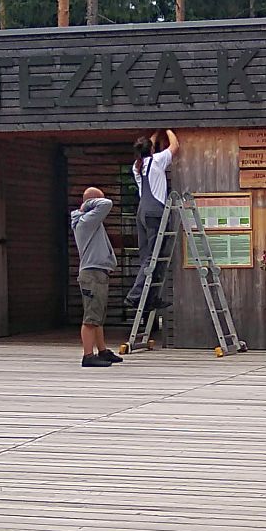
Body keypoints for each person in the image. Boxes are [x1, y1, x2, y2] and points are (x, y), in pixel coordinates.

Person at [70, 185, 121, 367]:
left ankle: (102, 350)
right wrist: (88, 204)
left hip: (98, 272)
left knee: (98, 316)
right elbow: (106, 203)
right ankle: (88, 355)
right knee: (91, 317)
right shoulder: (86, 221)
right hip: (92, 274)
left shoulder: (91, 222)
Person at [130, 128, 179, 312]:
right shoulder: (157, 160)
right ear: (151, 149)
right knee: (154, 256)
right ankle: (135, 295)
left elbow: (147, 145)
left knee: (147, 257)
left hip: (142, 212)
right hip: (155, 212)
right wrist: (168, 129)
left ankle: (150, 298)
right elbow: (175, 146)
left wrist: (156, 134)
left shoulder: (137, 166)